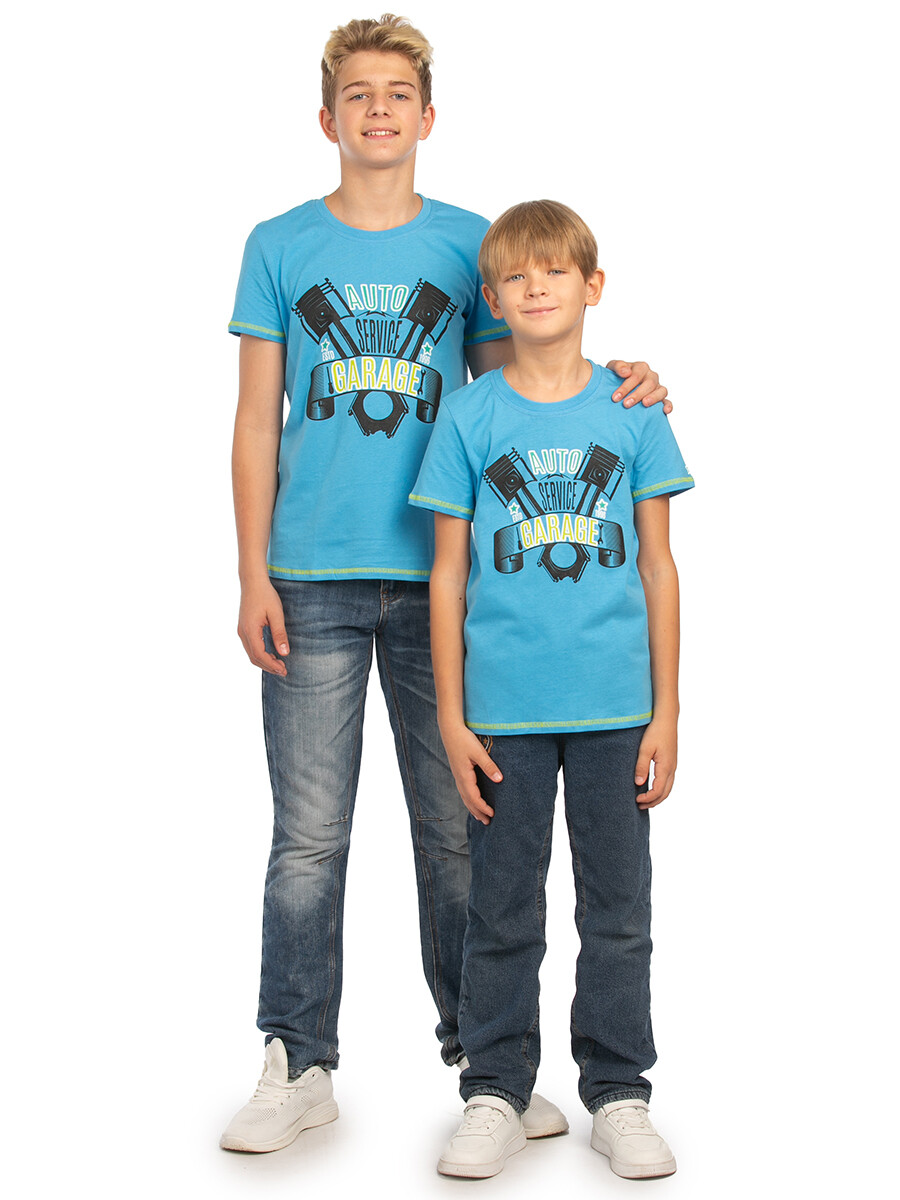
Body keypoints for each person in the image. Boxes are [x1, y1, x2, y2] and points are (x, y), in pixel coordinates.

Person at [222, 14, 671, 1155]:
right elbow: (256, 419)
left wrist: (623, 379)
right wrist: (250, 569)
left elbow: (522, 397)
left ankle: (488, 1068)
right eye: (357, 94)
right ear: (326, 118)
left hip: (450, 593)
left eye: (397, 93)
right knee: (308, 837)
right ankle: (297, 1061)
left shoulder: (473, 245)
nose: (377, 109)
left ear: (429, 116)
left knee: (461, 833)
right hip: (310, 575)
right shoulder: (278, 243)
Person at [411, 199, 693, 1179]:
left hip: (617, 709)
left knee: (618, 912)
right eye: (516, 276)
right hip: (503, 712)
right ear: (492, 300)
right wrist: (450, 716)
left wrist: (668, 708)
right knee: (501, 911)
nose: (536, 287)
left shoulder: (633, 410)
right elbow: (447, 573)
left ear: (592, 286)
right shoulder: (469, 415)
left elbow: (658, 566)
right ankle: (494, 1088)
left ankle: (619, 1093)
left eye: (555, 271)